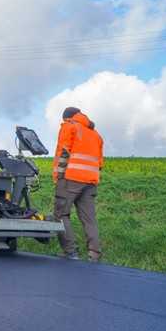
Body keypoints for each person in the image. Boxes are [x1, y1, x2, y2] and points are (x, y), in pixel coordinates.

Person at [51, 107, 104, 261]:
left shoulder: (69, 126)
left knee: (60, 214)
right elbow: (99, 163)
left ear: (67, 118)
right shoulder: (96, 135)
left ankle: (70, 252)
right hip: (90, 181)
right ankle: (94, 254)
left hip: (70, 179)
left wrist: (59, 177)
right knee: (89, 218)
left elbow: (63, 153)